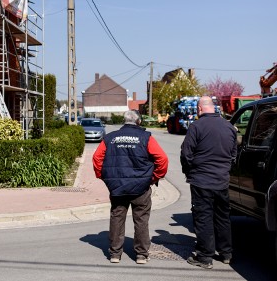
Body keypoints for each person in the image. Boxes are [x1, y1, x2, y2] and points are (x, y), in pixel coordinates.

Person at [93, 110, 168, 264]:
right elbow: (162, 159)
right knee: (141, 219)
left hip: (117, 187)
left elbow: (97, 158)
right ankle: (141, 255)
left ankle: (115, 254)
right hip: (141, 186)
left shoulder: (110, 138)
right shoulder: (146, 137)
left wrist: (106, 177)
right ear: (138, 121)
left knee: (117, 217)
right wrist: (153, 178)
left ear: (124, 121)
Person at [180, 95, 237, 269]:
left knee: (203, 218)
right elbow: (234, 155)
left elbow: (186, 154)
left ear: (199, 109)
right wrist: (225, 171)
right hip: (222, 181)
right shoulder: (229, 127)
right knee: (222, 218)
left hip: (202, 181)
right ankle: (226, 253)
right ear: (214, 108)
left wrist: (189, 172)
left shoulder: (196, 126)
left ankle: (205, 257)